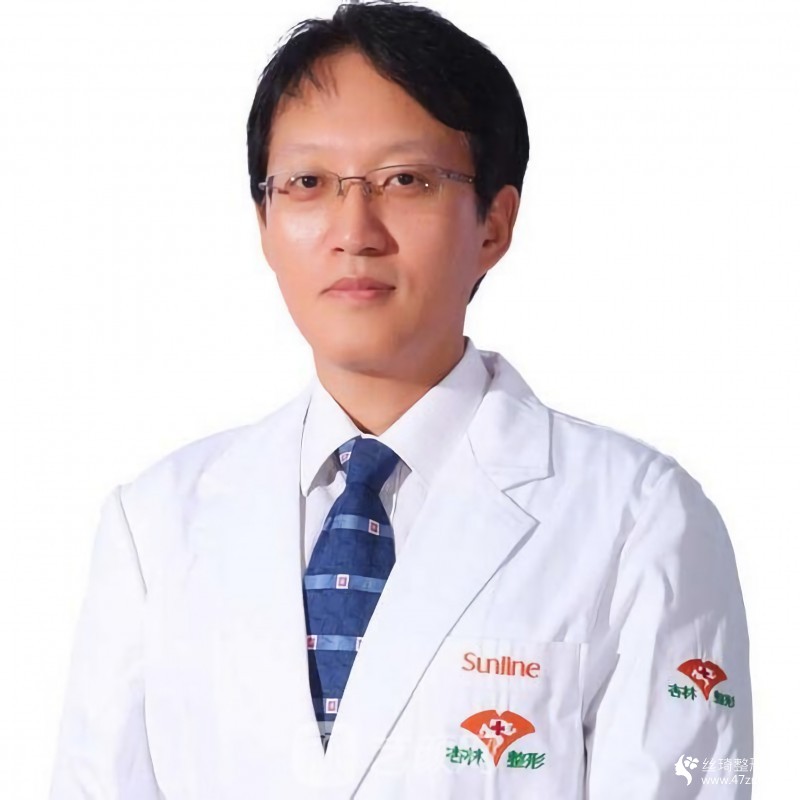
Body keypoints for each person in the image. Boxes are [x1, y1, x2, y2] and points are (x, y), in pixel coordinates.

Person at [49, 1, 753, 798]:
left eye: (406, 181)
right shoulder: (154, 526)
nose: (354, 230)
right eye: (308, 183)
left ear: (493, 224)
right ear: (265, 221)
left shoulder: (641, 519)